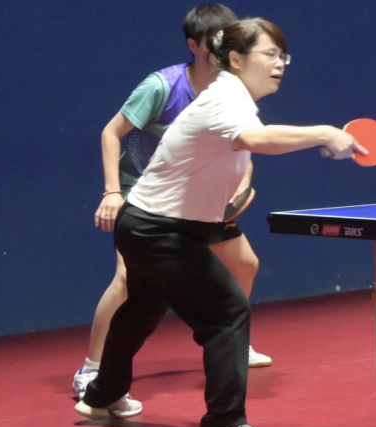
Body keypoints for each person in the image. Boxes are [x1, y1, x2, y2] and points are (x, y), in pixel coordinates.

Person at [74, 17, 368, 427]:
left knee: (141, 310)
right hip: (158, 228)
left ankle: (101, 396)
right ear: (236, 59)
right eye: (269, 54)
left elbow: (242, 146)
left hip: (152, 224)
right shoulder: (225, 98)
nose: (279, 64)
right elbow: (255, 139)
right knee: (228, 313)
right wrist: (324, 132)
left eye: (283, 56)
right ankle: (222, 425)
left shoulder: (231, 98)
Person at [73, 4, 274, 401]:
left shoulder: (233, 89)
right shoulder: (161, 87)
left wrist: (240, 186)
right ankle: (92, 368)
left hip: (195, 200)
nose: (221, 50)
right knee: (127, 282)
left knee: (245, 264)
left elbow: (244, 146)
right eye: (213, 43)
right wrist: (112, 192)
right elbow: (111, 133)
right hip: (146, 198)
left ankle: (233, 342)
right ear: (193, 45)